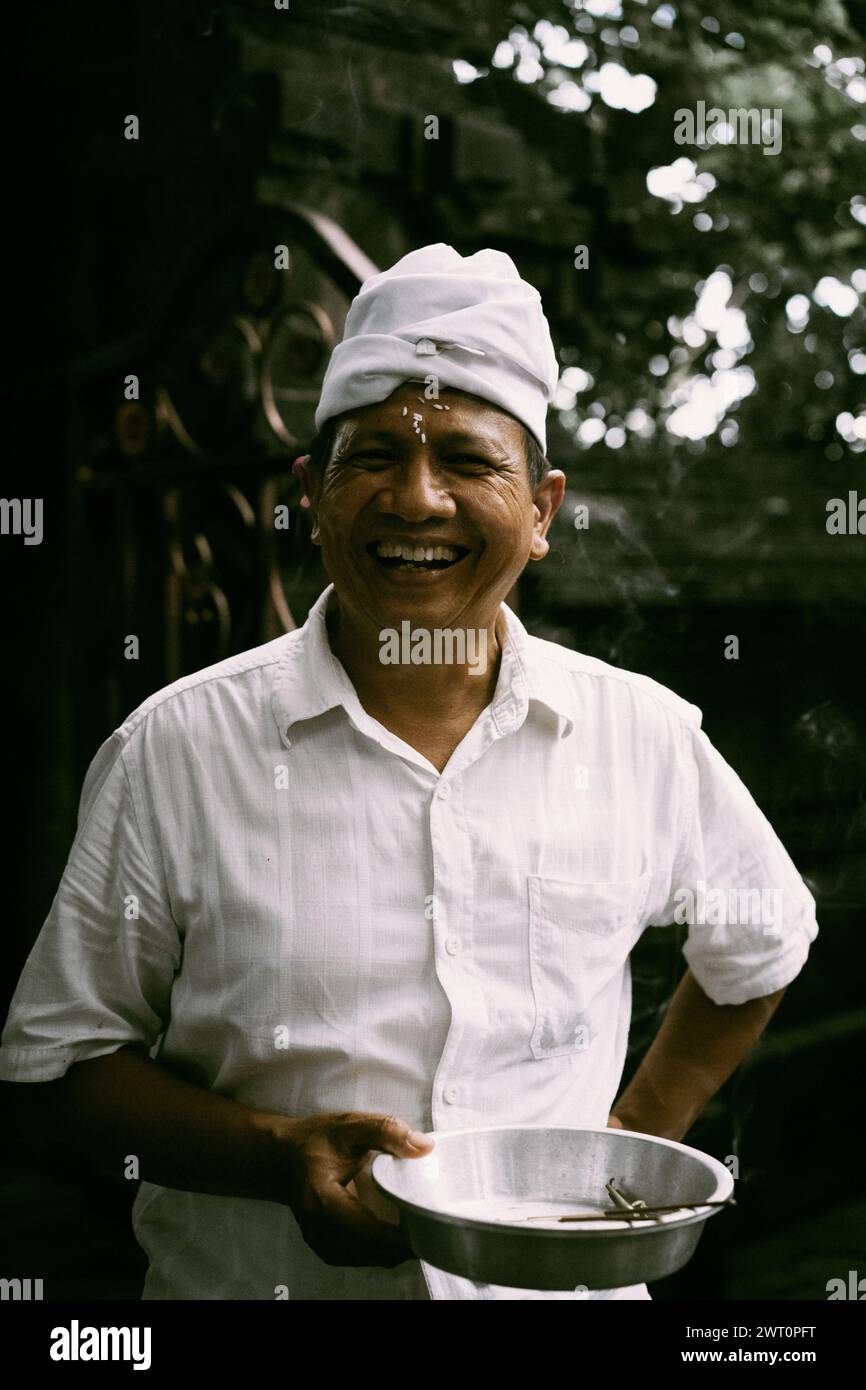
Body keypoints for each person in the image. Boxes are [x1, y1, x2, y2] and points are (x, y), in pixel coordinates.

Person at [0, 244, 818, 1300]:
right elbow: (62, 1064)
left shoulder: (640, 735)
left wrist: (622, 1144)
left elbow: (759, 940)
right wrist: (273, 1155)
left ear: (541, 512)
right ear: (311, 493)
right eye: (374, 456)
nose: (416, 499)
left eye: (468, 462)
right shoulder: (177, 749)